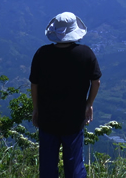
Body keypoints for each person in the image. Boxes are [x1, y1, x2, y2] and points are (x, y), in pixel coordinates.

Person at [29, 12, 101, 178]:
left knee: (47, 166)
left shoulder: (42, 54)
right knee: (74, 165)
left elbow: (34, 84)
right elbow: (96, 81)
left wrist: (36, 109)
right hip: (74, 118)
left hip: (47, 118)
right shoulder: (86, 54)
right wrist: (88, 104)